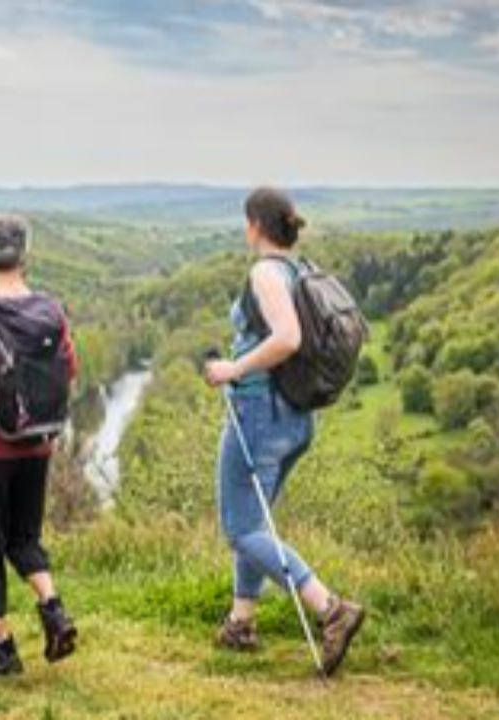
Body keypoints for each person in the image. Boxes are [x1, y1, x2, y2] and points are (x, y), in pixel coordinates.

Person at [203, 187, 366, 676]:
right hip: (297, 417)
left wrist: (232, 369)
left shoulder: (265, 273)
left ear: (255, 225)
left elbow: (288, 338)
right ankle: (241, 623)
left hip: (259, 414)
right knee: (256, 524)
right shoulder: (300, 270)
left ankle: (331, 609)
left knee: (241, 529)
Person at [0, 213, 79, 676]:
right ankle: (53, 609)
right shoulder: (51, 310)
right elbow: (69, 372)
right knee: (24, 537)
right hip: (39, 443)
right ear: (25, 255)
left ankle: (2, 647)